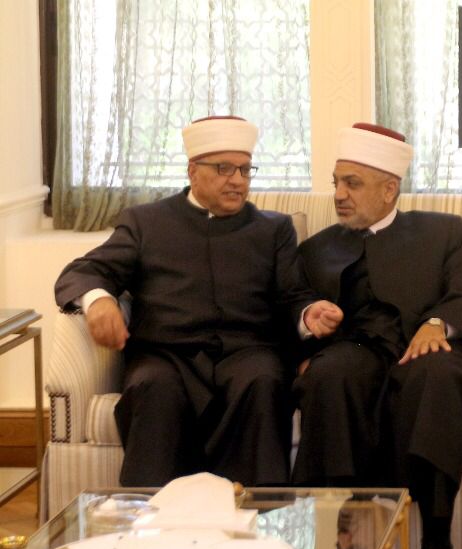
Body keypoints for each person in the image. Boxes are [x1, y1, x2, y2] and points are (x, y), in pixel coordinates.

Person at [53, 116, 339, 487]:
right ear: (192, 171)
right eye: (224, 169)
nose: (237, 180)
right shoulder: (146, 222)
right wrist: (98, 300)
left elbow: (293, 295)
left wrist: (308, 314)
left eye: (245, 169)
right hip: (166, 355)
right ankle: (154, 514)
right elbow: (83, 271)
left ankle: (258, 513)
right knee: (152, 387)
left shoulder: (273, 229)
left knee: (264, 382)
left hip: (247, 353)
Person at [293, 123, 462, 549]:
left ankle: (437, 539)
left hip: (426, 348)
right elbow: (292, 305)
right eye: (336, 183)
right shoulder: (317, 248)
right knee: (330, 374)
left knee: (437, 375)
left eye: (352, 184)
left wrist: (438, 323)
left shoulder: (443, 232)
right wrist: (308, 327)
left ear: (389, 189)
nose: (339, 194)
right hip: (356, 348)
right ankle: (343, 518)